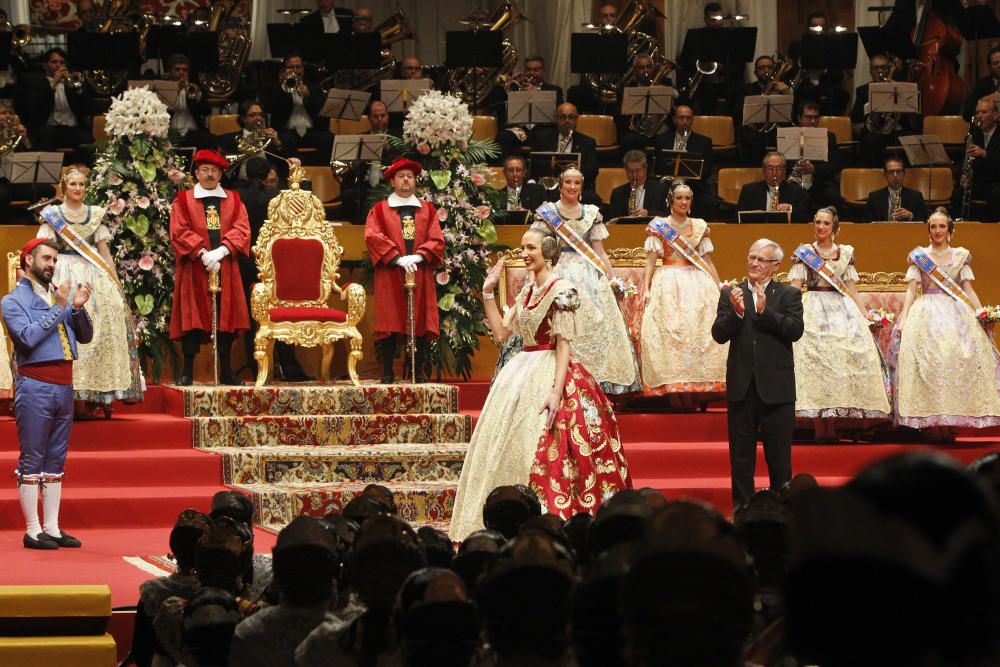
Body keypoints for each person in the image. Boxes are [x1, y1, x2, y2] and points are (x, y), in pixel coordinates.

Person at [449, 226, 631, 539]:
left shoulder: (561, 290)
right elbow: (502, 335)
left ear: (547, 253)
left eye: (530, 248)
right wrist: (488, 293)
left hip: (552, 369)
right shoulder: (527, 290)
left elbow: (563, 345)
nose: (524, 254)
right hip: (521, 369)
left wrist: (556, 392)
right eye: (522, 248)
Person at [2, 238, 93, 549]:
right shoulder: (12, 301)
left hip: (63, 385)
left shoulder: (60, 297)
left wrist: (77, 309)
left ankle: (52, 528)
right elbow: (27, 338)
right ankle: (32, 529)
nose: (52, 264)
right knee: (32, 457)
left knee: (55, 459)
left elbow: (86, 336)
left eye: (54, 259)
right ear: (28, 260)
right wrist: (60, 308)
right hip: (35, 384)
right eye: (46, 258)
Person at [36, 167, 143, 409]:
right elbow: (43, 251)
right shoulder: (53, 215)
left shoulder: (95, 214)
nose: (77, 188)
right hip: (61, 270)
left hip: (92, 273)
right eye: (73, 184)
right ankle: (65, 390)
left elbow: (104, 253)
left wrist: (116, 284)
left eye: (82, 184)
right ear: (64, 187)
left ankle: (97, 390)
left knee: (106, 314)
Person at [892, 208, 1000, 439]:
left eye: (942, 226)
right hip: (927, 313)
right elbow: (911, 291)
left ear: (950, 230)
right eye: (933, 226)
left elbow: (968, 289)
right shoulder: (919, 255)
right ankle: (933, 423)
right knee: (931, 365)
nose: (937, 231)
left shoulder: (960, 255)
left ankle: (950, 419)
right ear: (928, 230)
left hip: (955, 314)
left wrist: (981, 313)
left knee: (952, 362)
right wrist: (903, 318)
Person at [711, 238, 804, 508]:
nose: (754, 263)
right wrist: (737, 314)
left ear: (775, 266)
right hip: (742, 387)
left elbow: (795, 331)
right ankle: (742, 514)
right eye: (751, 257)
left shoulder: (789, 295)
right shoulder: (732, 293)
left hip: (777, 389)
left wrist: (765, 313)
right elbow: (718, 334)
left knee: (779, 459)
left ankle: (781, 515)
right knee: (741, 459)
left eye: (761, 260)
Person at [532, 167, 640, 394]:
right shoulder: (548, 212)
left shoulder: (591, 213)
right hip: (557, 270)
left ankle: (596, 382)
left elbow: (599, 252)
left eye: (576, 183)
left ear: (582, 186)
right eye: (568, 182)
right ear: (560, 185)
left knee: (598, 321)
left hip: (588, 274)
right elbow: (537, 246)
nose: (572, 187)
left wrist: (611, 279)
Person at [787, 207, 891, 442]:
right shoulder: (805, 253)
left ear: (834, 227)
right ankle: (817, 426)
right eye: (817, 222)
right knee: (814, 364)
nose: (821, 227)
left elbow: (851, 289)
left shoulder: (844, 254)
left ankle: (832, 425)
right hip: (812, 308)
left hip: (841, 311)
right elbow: (795, 287)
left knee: (837, 364)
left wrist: (866, 316)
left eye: (826, 223)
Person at [169, 149, 252, 386]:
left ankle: (226, 371)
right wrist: (203, 253)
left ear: (220, 174)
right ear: (196, 173)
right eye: (204, 170)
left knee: (226, 319)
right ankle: (187, 371)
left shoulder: (234, 200)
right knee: (193, 317)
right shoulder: (184, 200)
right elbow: (178, 230)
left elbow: (242, 228)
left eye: (214, 171)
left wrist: (222, 251)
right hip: (195, 267)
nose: (209, 175)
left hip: (225, 265)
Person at [640, 183, 727, 398]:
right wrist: (646, 287)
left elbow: (706, 260)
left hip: (697, 280)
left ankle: (697, 387)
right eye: (679, 197)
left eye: (687, 198)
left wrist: (719, 286)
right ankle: (674, 388)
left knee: (698, 329)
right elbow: (650, 262)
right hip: (669, 280)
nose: (683, 202)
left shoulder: (698, 226)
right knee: (672, 329)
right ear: (671, 200)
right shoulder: (659, 226)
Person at [364, 158, 444, 383]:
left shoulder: (427, 210)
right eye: (401, 176)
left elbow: (436, 238)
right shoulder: (379, 211)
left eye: (410, 176)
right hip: (391, 272)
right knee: (390, 320)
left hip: (419, 270)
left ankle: (417, 371)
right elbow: (372, 236)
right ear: (392, 181)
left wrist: (419, 256)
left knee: (419, 319)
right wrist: (397, 258)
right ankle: (388, 371)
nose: (406, 180)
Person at [21, 48, 93, 163]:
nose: (58, 65)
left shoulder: (72, 83)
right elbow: (34, 107)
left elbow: (86, 108)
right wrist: (53, 83)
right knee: (46, 139)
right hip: (48, 129)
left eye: (62, 62)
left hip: (71, 129)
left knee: (88, 141)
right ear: (45, 65)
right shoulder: (37, 84)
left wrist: (78, 89)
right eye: (54, 62)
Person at [653, 103, 719, 220]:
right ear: (674, 119)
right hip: (668, 186)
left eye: (688, 118)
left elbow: (706, 170)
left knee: (711, 202)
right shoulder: (661, 140)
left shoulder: (704, 142)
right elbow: (658, 166)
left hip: (694, 186)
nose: (684, 122)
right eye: (681, 118)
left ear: (692, 120)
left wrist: (686, 178)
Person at [265, 53, 333, 165]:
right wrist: (283, 86)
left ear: (303, 69)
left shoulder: (314, 87)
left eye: (298, 67)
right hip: (288, 131)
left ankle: (313, 168)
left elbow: (323, 112)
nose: (295, 70)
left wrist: (309, 96)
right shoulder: (277, 88)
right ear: (284, 70)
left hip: (310, 131)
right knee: (287, 141)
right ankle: (291, 173)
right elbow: (268, 107)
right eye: (290, 67)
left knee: (329, 139)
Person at [533, 103, 600, 196]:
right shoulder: (542, 138)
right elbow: (534, 164)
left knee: (592, 197)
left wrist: (576, 169)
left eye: (571, 117)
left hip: (576, 187)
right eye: (563, 117)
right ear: (556, 118)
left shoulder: (587, 142)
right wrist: (552, 164)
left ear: (577, 119)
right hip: (548, 186)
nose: (567, 121)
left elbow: (592, 170)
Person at [952, 97, 1000, 222]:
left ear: (996, 115)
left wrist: (985, 154)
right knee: (957, 193)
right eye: (977, 112)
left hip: (996, 182)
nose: (979, 116)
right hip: (980, 182)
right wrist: (963, 177)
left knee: (996, 195)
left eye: (984, 112)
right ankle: (959, 228)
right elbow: (962, 162)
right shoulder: (973, 136)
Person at [736, 151, 811, 222]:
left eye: (778, 168)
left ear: (784, 171)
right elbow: (737, 218)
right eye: (770, 168)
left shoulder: (797, 191)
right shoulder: (749, 191)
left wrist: (790, 209)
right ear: (764, 170)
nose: (774, 173)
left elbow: (807, 218)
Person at [163, 54, 214, 150]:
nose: (181, 73)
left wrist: (197, 98)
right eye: (177, 69)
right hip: (170, 131)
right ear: (169, 71)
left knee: (211, 140)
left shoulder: (194, 88)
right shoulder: (164, 89)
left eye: (184, 70)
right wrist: (176, 91)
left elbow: (207, 111)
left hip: (191, 132)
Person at [607, 149, 667, 219]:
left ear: (645, 169)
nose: (634, 175)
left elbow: (667, 215)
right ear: (626, 170)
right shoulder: (617, 193)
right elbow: (611, 220)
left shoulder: (660, 189)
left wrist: (648, 213)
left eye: (638, 170)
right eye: (630, 171)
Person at [865, 157, 927, 222]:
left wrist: (911, 216)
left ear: (904, 174)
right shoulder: (874, 197)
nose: (895, 175)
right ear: (885, 175)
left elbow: (924, 221)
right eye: (891, 172)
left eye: (898, 171)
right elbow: (866, 222)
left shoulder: (916, 196)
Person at [962, 45, 1000, 121]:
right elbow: (966, 114)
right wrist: (985, 100)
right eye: (996, 63)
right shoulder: (983, 84)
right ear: (990, 67)